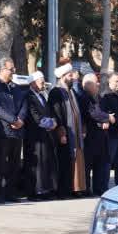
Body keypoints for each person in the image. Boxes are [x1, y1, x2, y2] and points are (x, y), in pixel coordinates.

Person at [0, 58, 25, 203]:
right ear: (2, 70)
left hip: (17, 131)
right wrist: (13, 120)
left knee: (14, 164)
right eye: (11, 69)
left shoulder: (16, 87)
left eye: (13, 69)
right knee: (0, 163)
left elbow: (23, 104)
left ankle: (11, 192)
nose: (13, 71)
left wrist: (20, 119)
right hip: (2, 131)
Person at [49, 64, 85, 198]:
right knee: (64, 162)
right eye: (70, 75)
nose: (73, 78)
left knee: (74, 161)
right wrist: (61, 133)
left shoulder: (72, 91)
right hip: (64, 134)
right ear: (63, 77)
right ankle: (63, 191)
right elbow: (56, 114)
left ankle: (74, 189)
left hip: (75, 134)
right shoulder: (56, 92)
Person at [22, 71, 57, 200]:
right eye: (41, 82)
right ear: (33, 83)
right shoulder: (28, 96)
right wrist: (50, 124)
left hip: (45, 135)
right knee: (35, 165)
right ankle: (34, 192)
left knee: (45, 164)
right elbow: (35, 116)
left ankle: (44, 190)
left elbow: (48, 112)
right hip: (34, 136)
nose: (43, 84)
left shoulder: (42, 96)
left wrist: (54, 122)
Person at [78, 73, 112, 196]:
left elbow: (103, 111)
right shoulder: (84, 98)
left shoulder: (98, 97)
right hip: (89, 137)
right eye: (95, 82)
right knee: (88, 165)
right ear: (87, 85)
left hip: (100, 138)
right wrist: (107, 118)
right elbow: (93, 114)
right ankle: (86, 189)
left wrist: (106, 118)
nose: (98, 84)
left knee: (100, 164)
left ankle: (99, 188)